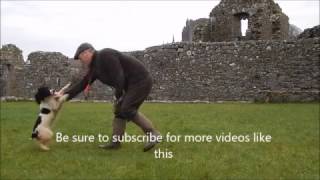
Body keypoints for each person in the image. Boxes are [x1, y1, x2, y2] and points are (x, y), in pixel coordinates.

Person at [63, 43, 160, 152]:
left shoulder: (105, 54)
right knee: (119, 111)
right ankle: (115, 143)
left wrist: (119, 95)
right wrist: (64, 96)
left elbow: (119, 76)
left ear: (88, 52)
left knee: (126, 108)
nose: (82, 61)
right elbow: (82, 84)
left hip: (141, 81)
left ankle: (153, 133)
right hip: (129, 85)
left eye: (81, 58)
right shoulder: (94, 68)